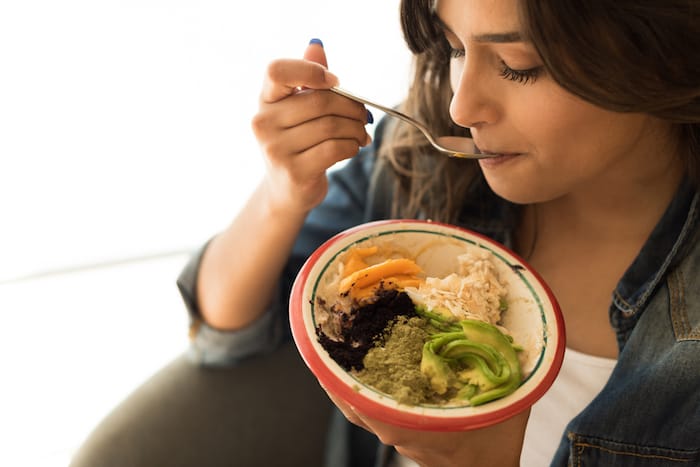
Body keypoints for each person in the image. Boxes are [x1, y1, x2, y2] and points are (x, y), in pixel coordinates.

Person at [71, 0, 700, 465]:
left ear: (660, 49)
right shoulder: (423, 159)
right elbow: (224, 337)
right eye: (455, 49)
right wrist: (283, 193)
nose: (461, 106)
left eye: (517, 65)